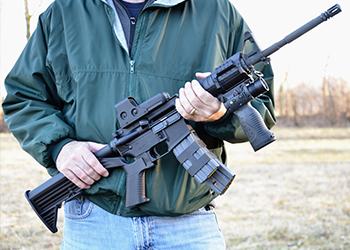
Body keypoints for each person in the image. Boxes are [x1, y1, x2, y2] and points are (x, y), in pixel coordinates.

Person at [2, 0, 276, 249]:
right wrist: (60, 147)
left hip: (189, 227)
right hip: (94, 222)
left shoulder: (218, 12)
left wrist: (220, 113)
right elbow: (23, 97)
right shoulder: (64, 11)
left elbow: (263, 109)